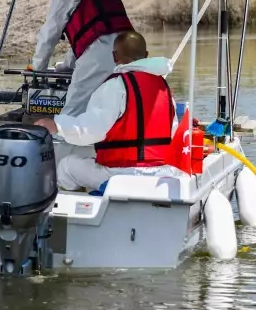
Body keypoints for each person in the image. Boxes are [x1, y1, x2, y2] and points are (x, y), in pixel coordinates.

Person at [34, 30, 180, 192]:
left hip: (119, 174)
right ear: (146, 55)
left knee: (66, 166)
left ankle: (78, 208)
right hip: (161, 174)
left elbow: (92, 130)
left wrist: (57, 125)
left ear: (115, 57)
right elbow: (173, 131)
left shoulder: (115, 86)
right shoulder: (164, 88)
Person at [30, 0, 135, 117]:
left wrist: (37, 69)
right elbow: (88, 34)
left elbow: (49, 35)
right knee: (121, 105)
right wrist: (67, 66)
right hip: (132, 50)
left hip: (101, 54)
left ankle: (63, 139)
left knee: (74, 110)